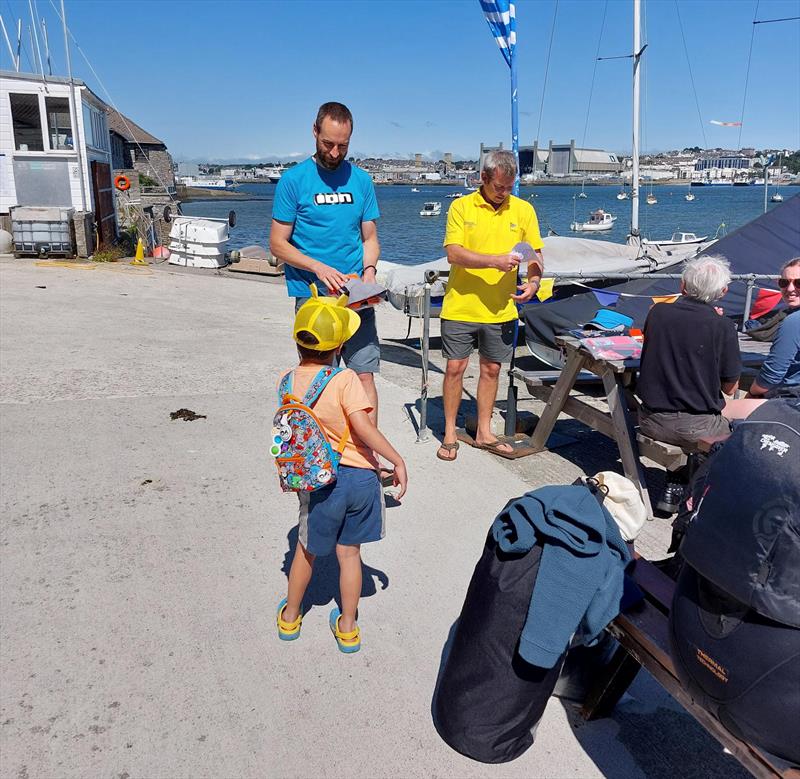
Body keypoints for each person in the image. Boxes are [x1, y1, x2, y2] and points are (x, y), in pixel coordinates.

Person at [275, 289, 407, 653]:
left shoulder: (286, 381)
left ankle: (290, 617)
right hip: (360, 478)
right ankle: (347, 627)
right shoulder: (346, 380)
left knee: (305, 551)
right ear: (339, 347)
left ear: (299, 341)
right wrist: (395, 459)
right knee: (349, 554)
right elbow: (364, 428)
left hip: (318, 482)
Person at [269, 101, 382, 422]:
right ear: (314, 132)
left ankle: (367, 455)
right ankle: (324, 454)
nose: (334, 152)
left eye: (343, 146)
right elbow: (277, 244)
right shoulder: (294, 180)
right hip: (313, 298)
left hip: (355, 297)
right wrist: (318, 267)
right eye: (328, 144)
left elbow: (370, 239)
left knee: (363, 375)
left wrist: (370, 273)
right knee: (319, 380)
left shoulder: (361, 181)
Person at [436, 150, 544, 461]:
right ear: (483, 179)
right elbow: (454, 254)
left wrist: (533, 284)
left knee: (492, 369)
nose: (505, 193)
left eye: (510, 187)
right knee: (455, 368)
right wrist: (494, 262)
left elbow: (535, 257)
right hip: (460, 305)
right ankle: (449, 431)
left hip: (501, 308)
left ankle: (484, 431)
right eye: (499, 187)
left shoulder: (523, 210)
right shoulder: (461, 206)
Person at [637, 255, 741, 513]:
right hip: (697, 426)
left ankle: (675, 485)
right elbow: (729, 388)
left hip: (651, 419)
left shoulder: (657, 312)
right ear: (723, 291)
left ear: (683, 285)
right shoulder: (723, 326)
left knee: (696, 431)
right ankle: (698, 493)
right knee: (740, 426)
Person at [746, 257, 800, 399]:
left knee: (724, 414)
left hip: (790, 399)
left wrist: (751, 393)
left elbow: (771, 375)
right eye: (784, 282)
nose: (790, 289)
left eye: (798, 283)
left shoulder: (793, 322)